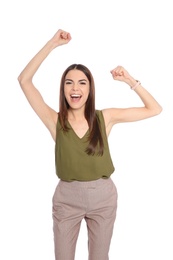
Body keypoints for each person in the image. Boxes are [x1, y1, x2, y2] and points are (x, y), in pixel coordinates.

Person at [18, 29, 162, 260]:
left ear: (89, 89)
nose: (75, 88)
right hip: (67, 198)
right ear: (63, 89)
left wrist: (129, 80)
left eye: (82, 83)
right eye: (69, 83)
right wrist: (52, 44)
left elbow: (154, 109)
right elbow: (24, 80)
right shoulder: (55, 120)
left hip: (103, 197)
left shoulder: (106, 117)